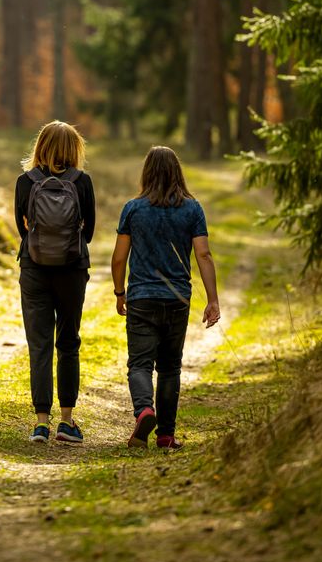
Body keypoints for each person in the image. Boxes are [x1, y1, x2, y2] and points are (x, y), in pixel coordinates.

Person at [111, 145, 220, 449]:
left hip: (142, 297)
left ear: (146, 172)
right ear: (178, 172)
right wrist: (213, 300)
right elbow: (204, 254)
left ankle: (144, 410)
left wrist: (120, 292)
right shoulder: (192, 209)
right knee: (170, 367)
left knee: (140, 364)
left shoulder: (133, 209)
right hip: (177, 299)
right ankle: (166, 435)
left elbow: (119, 258)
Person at [14, 120, 95, 444]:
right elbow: (88, 232)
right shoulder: (82, 181)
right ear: (75, 149)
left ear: (40, 146)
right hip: (72, 269)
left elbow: (22, 229)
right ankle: (67, 422)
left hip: (34, 268)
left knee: (40, 345)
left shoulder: (25, 181)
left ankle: (40, 423)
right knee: (68, 342)